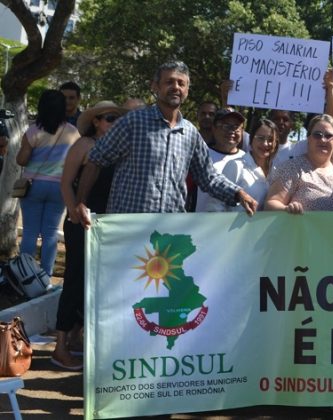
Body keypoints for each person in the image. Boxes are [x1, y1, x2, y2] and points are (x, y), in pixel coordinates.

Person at [74, 60, 257, 228]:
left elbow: (208, 177)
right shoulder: (133, 122)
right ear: (155, 86)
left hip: (167, 232)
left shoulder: (190, 133)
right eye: (169, 82)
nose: (176, 87)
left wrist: (238, 193)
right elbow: (95, 160)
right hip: (128, 228)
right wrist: (81, 202)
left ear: (187, 90)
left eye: (181, 83)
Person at [55, 100, 127, 370]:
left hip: (106, 225)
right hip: (82, 223)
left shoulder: (119, 148)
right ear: (96, 121)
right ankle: (60, 346)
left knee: (94, 284)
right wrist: (73, 210)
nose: (114, 123)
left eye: (117, 119)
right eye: (109, 118)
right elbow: (66, 181)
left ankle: (76, 337)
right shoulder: (84, 145)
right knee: (75, 280)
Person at [16, 89, 81, 275]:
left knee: (30, 231)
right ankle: (46, 275)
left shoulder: (33, 130)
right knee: (50, 233)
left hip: (33, 185)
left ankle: (25, 274)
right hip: (60, 186)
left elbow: (22, 160)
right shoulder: (73, 132)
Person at [265, 114, 333, 213]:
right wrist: (286, 209)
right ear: (308, 139)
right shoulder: (293, 168)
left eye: (328, 136)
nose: (323, 140)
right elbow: (270, 204)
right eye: (317, 135)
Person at [220, 119, 280, 212]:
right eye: (260, 138)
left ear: (276, 143)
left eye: (270, 139)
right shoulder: (236, 166)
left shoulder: (277, 172)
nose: (265, 144)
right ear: (251, 139)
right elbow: (217, 205)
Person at [195, 109, 247, 212]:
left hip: (235, 221)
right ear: (214, 128)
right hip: (199, 219)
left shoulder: (247, 159)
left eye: (236, 127)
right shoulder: (201, 156)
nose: (231, 131)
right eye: (226, 126)